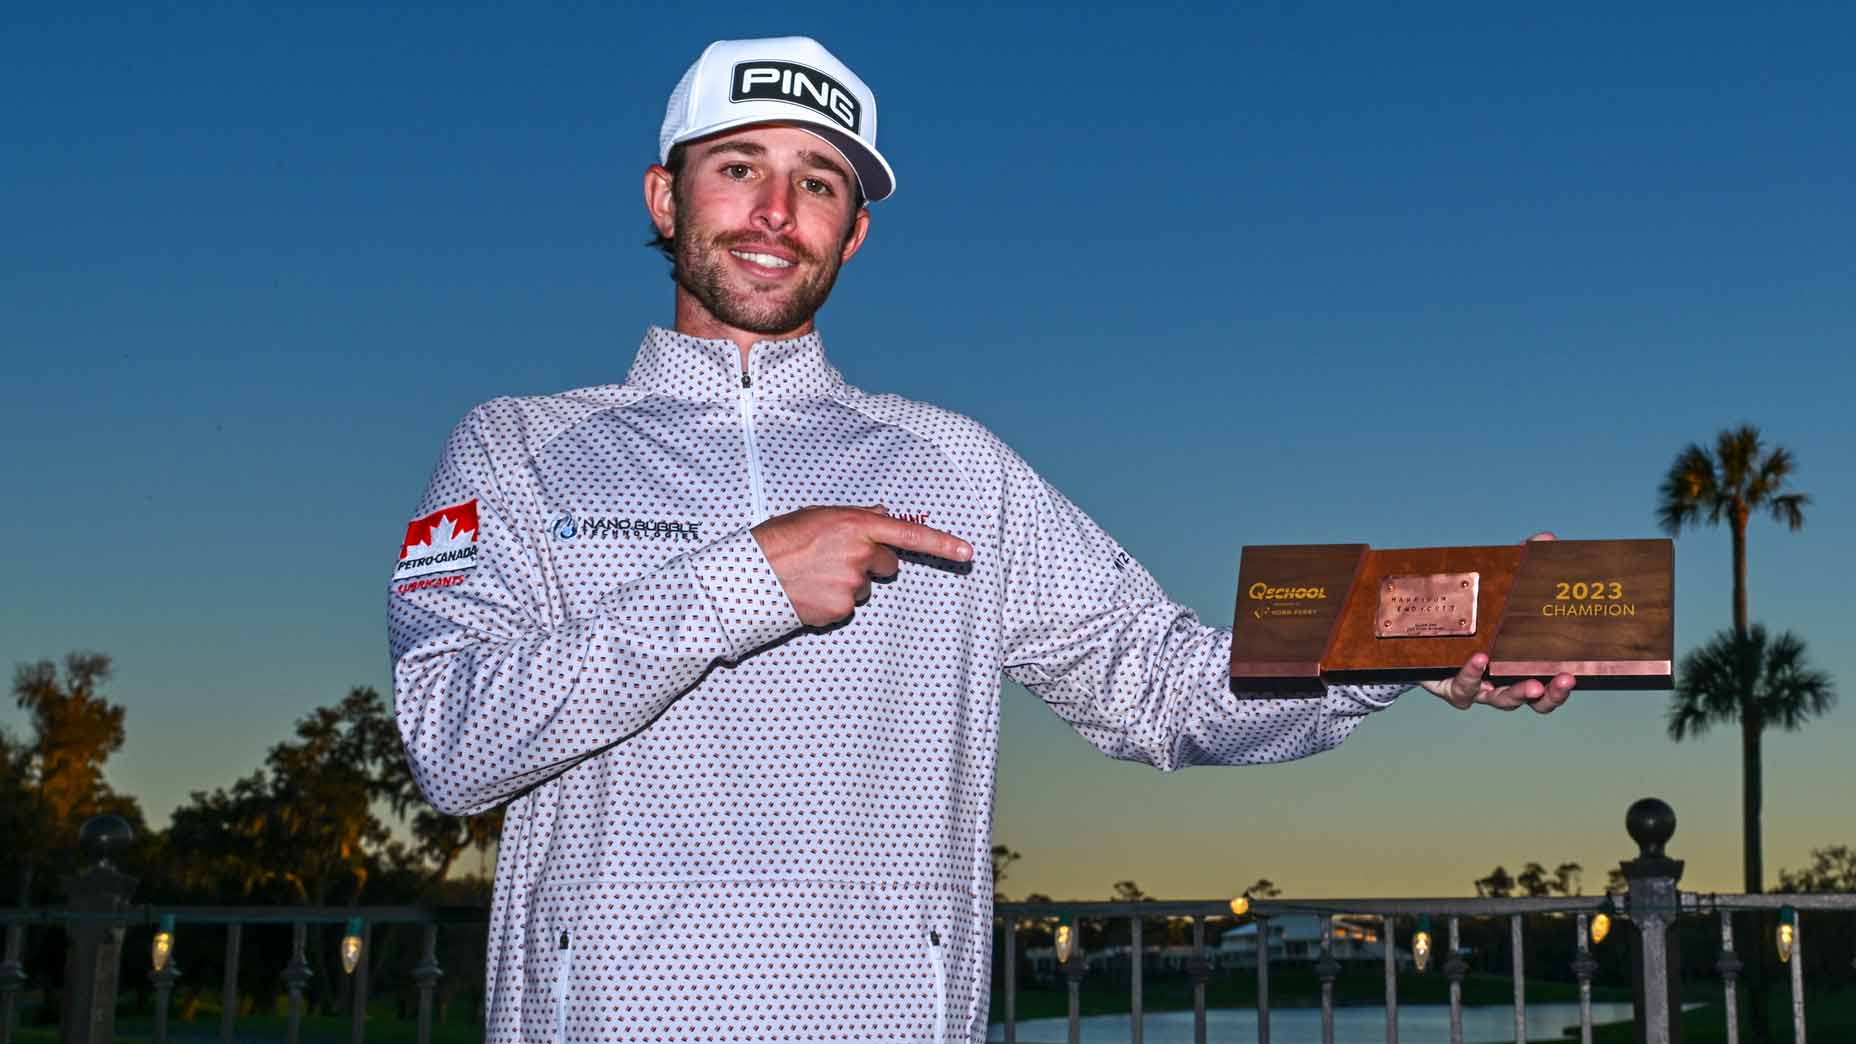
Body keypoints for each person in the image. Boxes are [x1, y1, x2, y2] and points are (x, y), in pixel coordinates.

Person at [389, 35, 1575, 1044]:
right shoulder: (512, 447)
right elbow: (451, 744)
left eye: (816, 183)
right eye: (737, 167)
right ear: (664, 197)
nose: (771, 213)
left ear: (851, 233)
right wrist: (744, 578)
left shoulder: (951, 463)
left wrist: (1406, 644)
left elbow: (1155, 684)